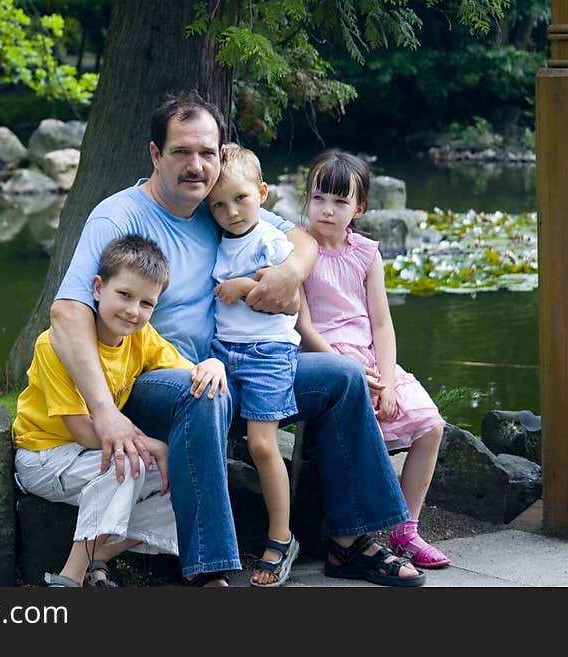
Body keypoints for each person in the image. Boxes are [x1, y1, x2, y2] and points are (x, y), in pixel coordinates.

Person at [49, 91, 424, 587]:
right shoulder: (119, 216)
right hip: (156, 380)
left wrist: (289, 274)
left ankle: (351, 541)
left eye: (208, 152)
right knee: (203, 393)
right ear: (156, 155)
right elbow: (67, 311)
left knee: (342, 376)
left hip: (238, 363)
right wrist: (105, 413)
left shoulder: (217, 205)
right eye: (182, 152)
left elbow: (303, 238)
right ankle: (213, 571)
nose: (196, 165)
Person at [13, 234, 229, 587]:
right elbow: (83, 430)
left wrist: (213, 365)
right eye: (124, 295)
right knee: (130, 463)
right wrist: (151, 445)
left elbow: (188, 369)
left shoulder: (140, 338)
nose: (133, 311)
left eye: (146, 303)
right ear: (98, 288)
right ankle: (70, 576)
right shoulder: (55, 345)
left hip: (87, 453)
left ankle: (103, 556)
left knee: (181, 474)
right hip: (44, 455)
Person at [296, 149, 449, 569]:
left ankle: (406, 530)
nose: (327, 210)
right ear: (306, 198)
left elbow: (381, 323)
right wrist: (349, 370)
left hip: (370, 357)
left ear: (359, 207)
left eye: (340, 201)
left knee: (430, 425)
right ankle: (360, 531)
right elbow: (303, 327)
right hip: (325, 359)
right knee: (366, 436)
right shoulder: (298, 247)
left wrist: (385, 376)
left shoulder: (366, 253)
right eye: (319, 198)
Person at [205, 143, 300, 587]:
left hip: (267, 354)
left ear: (262, 193)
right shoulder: (220, 241)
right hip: (223, 354)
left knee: (264, 445)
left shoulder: (271, 239)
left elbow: (287, 298)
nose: (232, 212)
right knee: (210, 438)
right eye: (219, 204)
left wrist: (244, 285)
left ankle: (280, 537)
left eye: (241, 199)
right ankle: (213, 546)